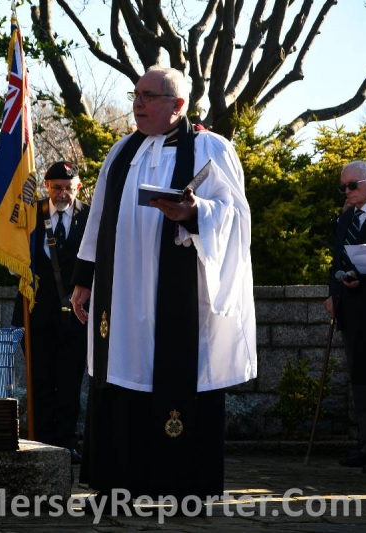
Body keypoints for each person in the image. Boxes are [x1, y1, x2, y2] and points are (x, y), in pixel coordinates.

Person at [70, 66, 257, 503]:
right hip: (121, 290)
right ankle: (120, 483)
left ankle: (180, 486)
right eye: (135, 95)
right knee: (121, 371)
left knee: (177, 375)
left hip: (182, 294)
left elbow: (234, 218)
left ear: (178, 105)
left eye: (149, 96)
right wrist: (83, 280)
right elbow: (97, 218)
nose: (137, 104)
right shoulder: (121, 151)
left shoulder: (212, 149)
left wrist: (194, 215)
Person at [12, 161, 89, 464]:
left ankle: (66, 443)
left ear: (77, 187)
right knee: (40, 381)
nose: (62, 193)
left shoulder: (90, 215)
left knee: (70, 382)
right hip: (36, 313)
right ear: (46, 186)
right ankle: (41, 442)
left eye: (68, 188)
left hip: (76, 313)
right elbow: (14, 255)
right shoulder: (29, 214)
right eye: (56, 187)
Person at [323, 161, 366, 473]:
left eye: (352, 186)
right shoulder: (346, 217)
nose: (347, 192)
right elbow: (336, 259)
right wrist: (333, 292)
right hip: (351, 308)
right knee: (361, 378)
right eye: (342, 187)